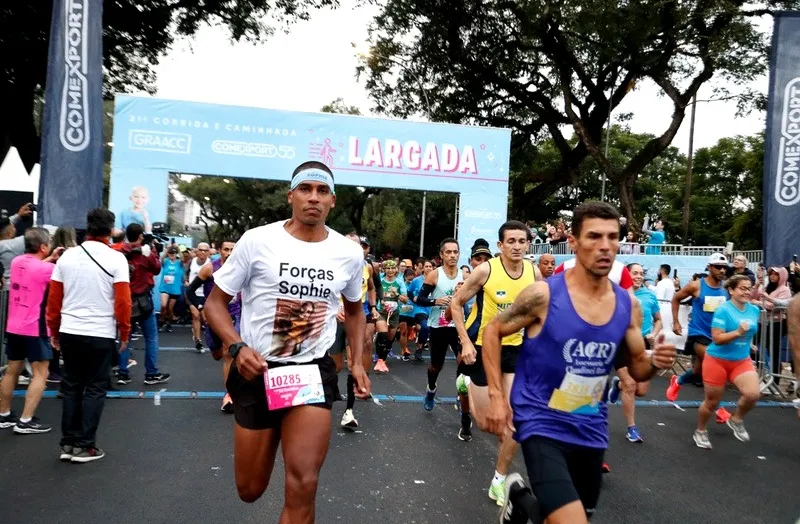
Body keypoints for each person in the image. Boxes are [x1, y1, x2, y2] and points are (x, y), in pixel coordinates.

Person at [483, 202, 677, 524]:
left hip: (590, 425)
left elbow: (636, 369)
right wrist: (495, 396)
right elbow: (493, 330)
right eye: (594, 237)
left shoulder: (627, 305)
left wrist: (657, 363)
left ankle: (520, 502)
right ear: (572, 242)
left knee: (570, 516)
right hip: (540, 419)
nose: (605, 246)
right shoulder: (543, 295)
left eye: (613, 237)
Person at [203, 161, 371, 520]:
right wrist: (236, 346)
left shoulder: (348, 252)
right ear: (291, 195)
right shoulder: (257, 240)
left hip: (310, 373)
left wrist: (356, 362)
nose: (314, 198)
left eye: (322, 191)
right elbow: (214, 304)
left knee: (304, 483)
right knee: (250, 489)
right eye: (306, 189)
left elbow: (355, 311)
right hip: (256, 370)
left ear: (333, 201)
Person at [450, 220, 537, 505]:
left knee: (514, 421)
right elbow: (456, 302)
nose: (516, 246)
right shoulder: (486, 270)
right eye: (510, 241)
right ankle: (465, 385)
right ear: (500, 245)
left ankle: (498, 480)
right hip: (483, 348)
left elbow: (544, 310)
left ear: (527, 244)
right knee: (489, 423)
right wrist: (464, 341)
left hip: (514, 351)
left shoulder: (534, 273)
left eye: (521, 241)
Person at [47, 208, 132, 463]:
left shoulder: (66, 257)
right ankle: (86, 445)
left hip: (69, 330)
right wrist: (125, 331)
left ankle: (68, 443)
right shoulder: (116, 259)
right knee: (95, 388)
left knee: (71, 385)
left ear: (88, 226)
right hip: (100, 332)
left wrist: (53, 330)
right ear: (111, 229)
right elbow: (123, 303)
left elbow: (54, 300)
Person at [0, 228, 64, 433]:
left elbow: (34, 268)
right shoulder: (47, 270)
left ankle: (4, 415)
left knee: (12, 370)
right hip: (35, 327)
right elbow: (57, 278)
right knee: (40, 373)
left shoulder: (18, 262)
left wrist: (51, 258)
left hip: (14, 325)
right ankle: (25, 421)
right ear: (43, 247)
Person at [693, 275, 761, 449]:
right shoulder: (723, 310)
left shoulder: (754, 310)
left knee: (753, 394)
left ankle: (736, 419)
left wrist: (749, 343)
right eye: (743, 288)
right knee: (712, 402)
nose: (747, 291)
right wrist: (738, 333)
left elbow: (750, 331)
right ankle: (700, 431)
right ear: (731, 290)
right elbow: (717, 338)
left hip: (741, 360)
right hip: (717, 360)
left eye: (749, 288)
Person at [668, 253, 730, 426]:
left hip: (717, 335)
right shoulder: (696, 285)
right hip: (698, 335)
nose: (722, 270)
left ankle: (678, 381)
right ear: (709, 267)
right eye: (718, 267)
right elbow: (676, 298)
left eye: (724, 267)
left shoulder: (726, 290)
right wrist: (675, 321)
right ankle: (719, 408)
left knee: (698, 371)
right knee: (714, 363)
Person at [607, 263, 661, 443]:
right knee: (630, 384)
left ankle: (618, 386)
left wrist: (653, 333)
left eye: (640, 273)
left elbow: (658, 320)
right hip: (621, 343)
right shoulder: (616, 295)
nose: (638, 276)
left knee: (642, 390)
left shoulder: (650, 296)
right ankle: (632, 428)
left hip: (643, 343)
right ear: (626, 276)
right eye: (634, 273)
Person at [414, 238, 468, 413]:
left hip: (458, 325)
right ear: (441, 255)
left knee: (463, 362)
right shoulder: (434, 275)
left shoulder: (465, 276)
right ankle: (431, 389)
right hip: (439, 325)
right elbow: (420, 299)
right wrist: (436, 301)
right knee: (436, 366)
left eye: (455, 252)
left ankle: (461, 396)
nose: (452, 256)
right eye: (448, 252)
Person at [187, 240, 239, 413]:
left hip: (235, 315)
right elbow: (190, 291)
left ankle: (229, 395)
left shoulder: (242, 268)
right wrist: (201, 307)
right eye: (226, 249)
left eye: (232, 249)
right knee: (217, 354)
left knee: (228, 353)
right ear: (219, 251)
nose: (229, 253)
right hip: (214, 316)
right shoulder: (210, 268)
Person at [115, 224, 169, 386]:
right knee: (151, 338)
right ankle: (151, 373)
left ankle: (122, 373)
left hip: (124, 300)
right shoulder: (146, 252)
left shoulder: (119, 252)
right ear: (140, 236)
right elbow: (157, 269)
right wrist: (153, 250)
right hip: (143, 301)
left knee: (125, 337)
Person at [159, 245, 184, 332]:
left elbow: (182, 258)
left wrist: (177, 248)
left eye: (173, 253)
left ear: (175, 254)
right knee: (163, 305)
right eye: (170, 253)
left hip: (174, 289)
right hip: (165, 287)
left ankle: (168, 323)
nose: (171, 254)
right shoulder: (166, 262)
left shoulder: (179, 263)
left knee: (170, 309)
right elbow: (161, 259)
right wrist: (167, 250)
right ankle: (161, 321)